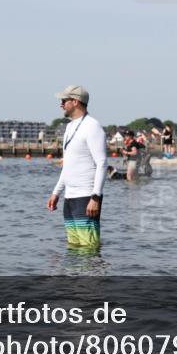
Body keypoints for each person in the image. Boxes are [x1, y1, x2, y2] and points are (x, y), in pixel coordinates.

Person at [48, 85, 106, 249]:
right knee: (73, 248)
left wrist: (95, 197)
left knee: (88, 248)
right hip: (70, 197)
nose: (61, 104)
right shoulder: (69, 127)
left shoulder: (92, 126)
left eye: (64, 101)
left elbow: (102, 163)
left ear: (75, 102)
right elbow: (68, 165)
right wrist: (56, 192)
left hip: (87, 197)